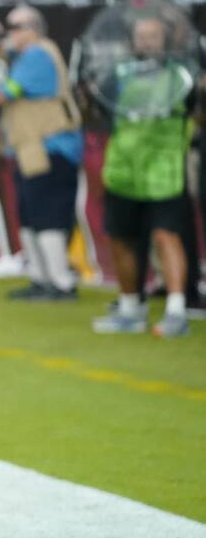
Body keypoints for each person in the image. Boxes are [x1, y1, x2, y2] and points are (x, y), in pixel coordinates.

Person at [0, 5, 83, 301]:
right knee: (30, 216)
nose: (9, 34)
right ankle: (41, 278)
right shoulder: (27, 54)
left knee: (49, 216)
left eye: (15, 28)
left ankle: (60, 282)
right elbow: (0, 48)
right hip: (32, 149)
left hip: (51, 147)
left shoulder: (38, 55)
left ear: (32, 29)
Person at [92, 17, 195, 337]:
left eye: (153, 35)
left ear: (165, 40)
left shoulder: (182, 75)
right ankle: (130, 309)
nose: (147, 42)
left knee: (166, 237)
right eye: (141, 36)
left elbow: (196, 111)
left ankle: (177, 311)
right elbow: (100, 112)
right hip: (123, 170)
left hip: (163, 173)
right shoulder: (118, 76)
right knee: (121, 239)